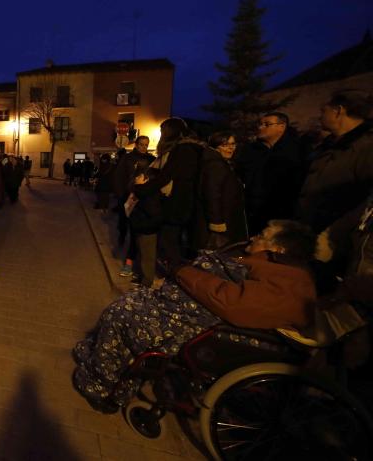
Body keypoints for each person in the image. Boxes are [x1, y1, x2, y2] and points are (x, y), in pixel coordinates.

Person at [73, 220, 317, 413]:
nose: (254, 238)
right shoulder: (277, 269)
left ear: (279, 249)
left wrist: (183, 272)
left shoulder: (288, 282)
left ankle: (103, 388)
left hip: (201, 330)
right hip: (192, 312)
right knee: (128, 306)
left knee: (122, 315)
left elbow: (232, 302)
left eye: (262, 236)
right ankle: (100, 362)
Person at [297, 90, 373, 233]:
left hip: (338, 238)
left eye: (323, 111)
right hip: (312, 231)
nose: (320, 117)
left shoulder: (366, 147)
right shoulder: (328, 146)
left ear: (338, 111)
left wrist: (338, 230)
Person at [133, 118, 203, 269]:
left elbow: (165, 177)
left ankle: (176, 277)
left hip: (176, 204)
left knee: (169, 243)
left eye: (162, 131)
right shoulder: (188, 149)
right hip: (182, 203)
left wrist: (139, 188)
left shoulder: (182, 150)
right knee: (172, 242)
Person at [234, 112, 305, 236]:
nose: (260, 127)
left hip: (284, 212)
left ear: (282, 126)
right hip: (253, 211)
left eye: (267, 124)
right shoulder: (249, 150)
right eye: (260, 124)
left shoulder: (298, 150)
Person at [192, 131, 248, 251]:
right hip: (221, 220)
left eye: (233, 144)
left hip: (223, 216)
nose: (230, 148)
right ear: (215, 146)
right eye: (224, 145)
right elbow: (212, 194)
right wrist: (217, 222)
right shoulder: (216, 164)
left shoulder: (219, 162)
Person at [112, 136, 154, 247]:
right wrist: (120, 193)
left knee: (137, 221)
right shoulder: (127, 158)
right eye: (141, 144)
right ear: (136, 144)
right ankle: (122, 235)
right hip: (127, 193)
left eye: (146, 145)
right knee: (124, 218)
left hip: (142, 195)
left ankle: (134, 243)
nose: (143, 147)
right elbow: (119, 176)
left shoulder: (151, 159)